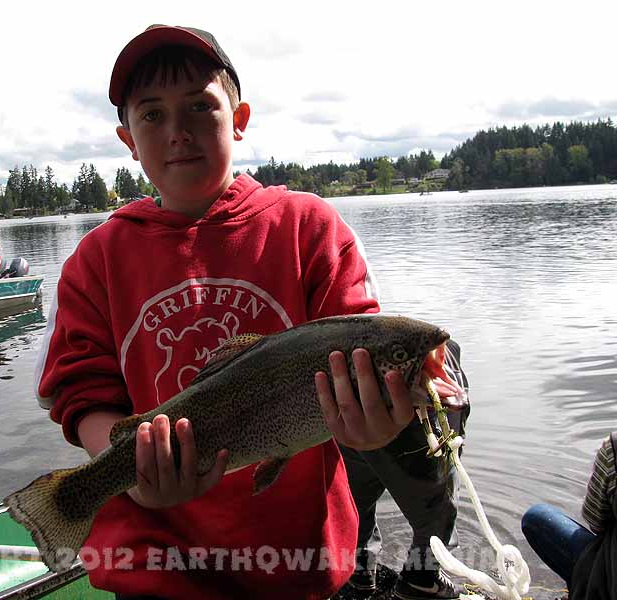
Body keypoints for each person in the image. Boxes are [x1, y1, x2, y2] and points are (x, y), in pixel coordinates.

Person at [35, 25, 457, 600]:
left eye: (200, 106)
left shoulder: (310, 230)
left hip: (298, 567)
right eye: (152, 115)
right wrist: (135, 479)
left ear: (239, 118)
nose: (178, 131)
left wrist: (378, 431)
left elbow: (359, 358)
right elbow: (81, 392)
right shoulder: (96, 260)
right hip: (156, 574)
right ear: (127, 139)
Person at [340, 340, 470, 600]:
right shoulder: (440, 364)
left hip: (351, 402)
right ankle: (421, 580)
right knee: (438, 507)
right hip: (405, 405)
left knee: (356, 497)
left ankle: (359, 571)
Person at [522, 431, 617, 600]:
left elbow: (595, 521)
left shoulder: (613, 448)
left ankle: (584, 587)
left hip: (610, 584)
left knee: (536, 518)